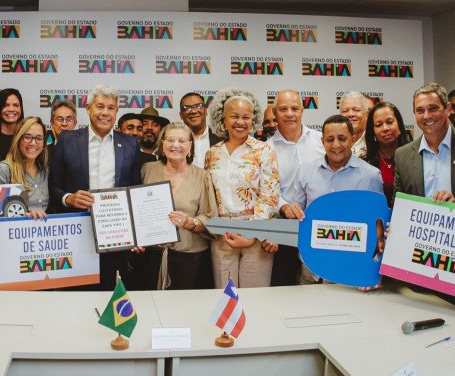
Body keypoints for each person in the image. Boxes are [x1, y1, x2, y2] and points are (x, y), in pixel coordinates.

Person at [48, 85, 142, 290]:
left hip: (116, 237)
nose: (105, 113)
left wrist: (138, 233)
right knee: (75, 296)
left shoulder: (130, 144)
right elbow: (53, 187)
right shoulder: (67, 140)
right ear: (88, 107)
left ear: (117, 112)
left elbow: (136, 191)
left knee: (111, 295)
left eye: (111, 107)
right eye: (100, 106)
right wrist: (69, 198)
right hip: (75, 234)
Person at [280, 115, 384, 284]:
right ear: (322, 141)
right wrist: (293, 210)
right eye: (330, 139)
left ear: (353, 138)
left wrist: (370, 271)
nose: (336, 145)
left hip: (350, 272)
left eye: (342, 138)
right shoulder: (306, 171)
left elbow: (378, 229)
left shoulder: (371, 176)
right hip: (311, 270)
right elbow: (298, 212)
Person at [204, 88, 281, 288]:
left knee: (255, 300)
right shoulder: (212, 153)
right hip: (222, 237)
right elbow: (209, 196)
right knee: (225, 300)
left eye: (246, 117)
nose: (241, 122)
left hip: (255, 236)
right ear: (223, 119)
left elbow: (270, 195)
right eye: (235, 116)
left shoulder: (264, 150)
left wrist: (250, 234)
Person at [138, 122, 217, 290]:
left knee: (183, 310)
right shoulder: (147, 170)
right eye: (170, 140)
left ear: (190, 146)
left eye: (182, 140)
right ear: (161, 144)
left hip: (190, 258)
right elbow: (135, 208)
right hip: (151, 257)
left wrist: (191, 223)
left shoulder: (202, 176)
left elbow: (209, 215)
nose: (175, 145)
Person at [394, 83, 455, 202]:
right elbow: (398, 205)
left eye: (433, 108)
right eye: (420, 111)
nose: (427, 116)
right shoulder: (402, 155)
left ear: (448, 109)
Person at [267, 90, 324, 286]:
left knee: (319, 284)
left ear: (302, 110)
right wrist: (283, 206)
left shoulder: (322, 140)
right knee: (283, 284)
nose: (289, 113)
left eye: (294, 108)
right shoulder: (265, 149)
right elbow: (267, 188)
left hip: (319, 224)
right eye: (283, 109)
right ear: (274, 112)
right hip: (285, 224)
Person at [0, 116, 49, 218]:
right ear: (18, 139)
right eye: (27, 137)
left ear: (44, 143)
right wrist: (24, 215)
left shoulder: (46, 171)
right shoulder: (3, 170)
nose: (33, 143)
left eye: (39, 138)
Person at [362, 101, 412, 206]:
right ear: (373, 130)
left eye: (390, 122)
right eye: (379, 125)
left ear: (399, 124)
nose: (385, 128)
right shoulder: (365, 162)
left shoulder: (414, 156)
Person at [179, 91, 221, 167]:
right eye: (187, 108)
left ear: (206, 111)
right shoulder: (174, 142)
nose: (194, 111)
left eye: (199, 106)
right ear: (181, 115)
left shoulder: (222, 139)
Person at [339, 91, 372, 157]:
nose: (350, 114)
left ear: (367, 114)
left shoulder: (375, 140)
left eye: (356, 110)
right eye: (345, 111)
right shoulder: (333, 141)